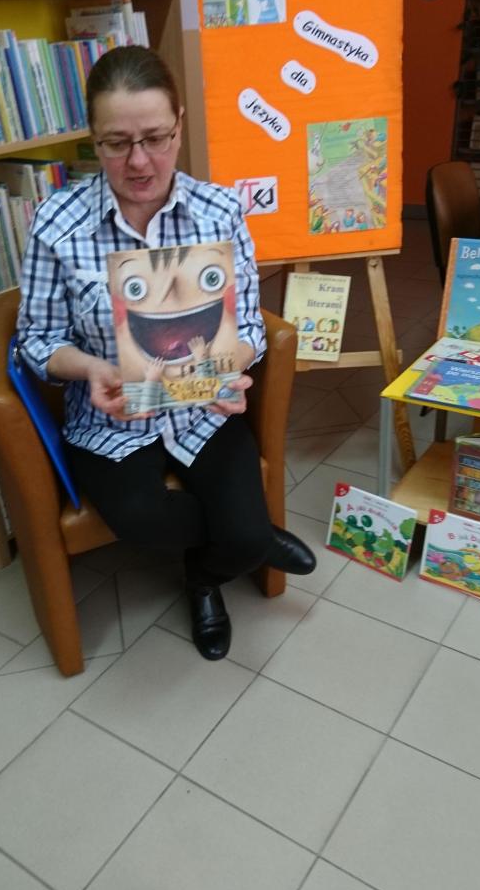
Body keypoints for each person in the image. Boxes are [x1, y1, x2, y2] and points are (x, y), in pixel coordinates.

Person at [17, 45, 316, 662]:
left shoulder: (219, 211)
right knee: (145, 523)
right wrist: (89, 367)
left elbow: (251, 327)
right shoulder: (57, 222)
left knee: (236, 536)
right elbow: (36, 339)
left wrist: (234, 365)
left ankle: (205, 577)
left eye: (155, 137)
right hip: (110, 421)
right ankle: (254, 540)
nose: (138, 161)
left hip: (202, 409)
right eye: (116, 143)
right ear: (93, 139)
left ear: (180, 124)